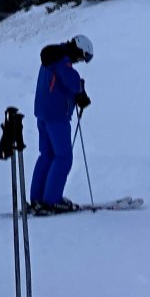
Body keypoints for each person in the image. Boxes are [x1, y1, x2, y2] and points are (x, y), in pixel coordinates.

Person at [28, 34, 94, 214]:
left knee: (47, 155)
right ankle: (52, 200)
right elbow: (72, 82)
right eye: (81, 57)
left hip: (43, 113)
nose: (79, 61)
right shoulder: (61, 61)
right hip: (57, 115)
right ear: (78, 49)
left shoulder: (51, 58)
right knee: (63, 157)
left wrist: (77, 92)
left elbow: (60, 83)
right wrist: (80, 91)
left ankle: (38, 199)